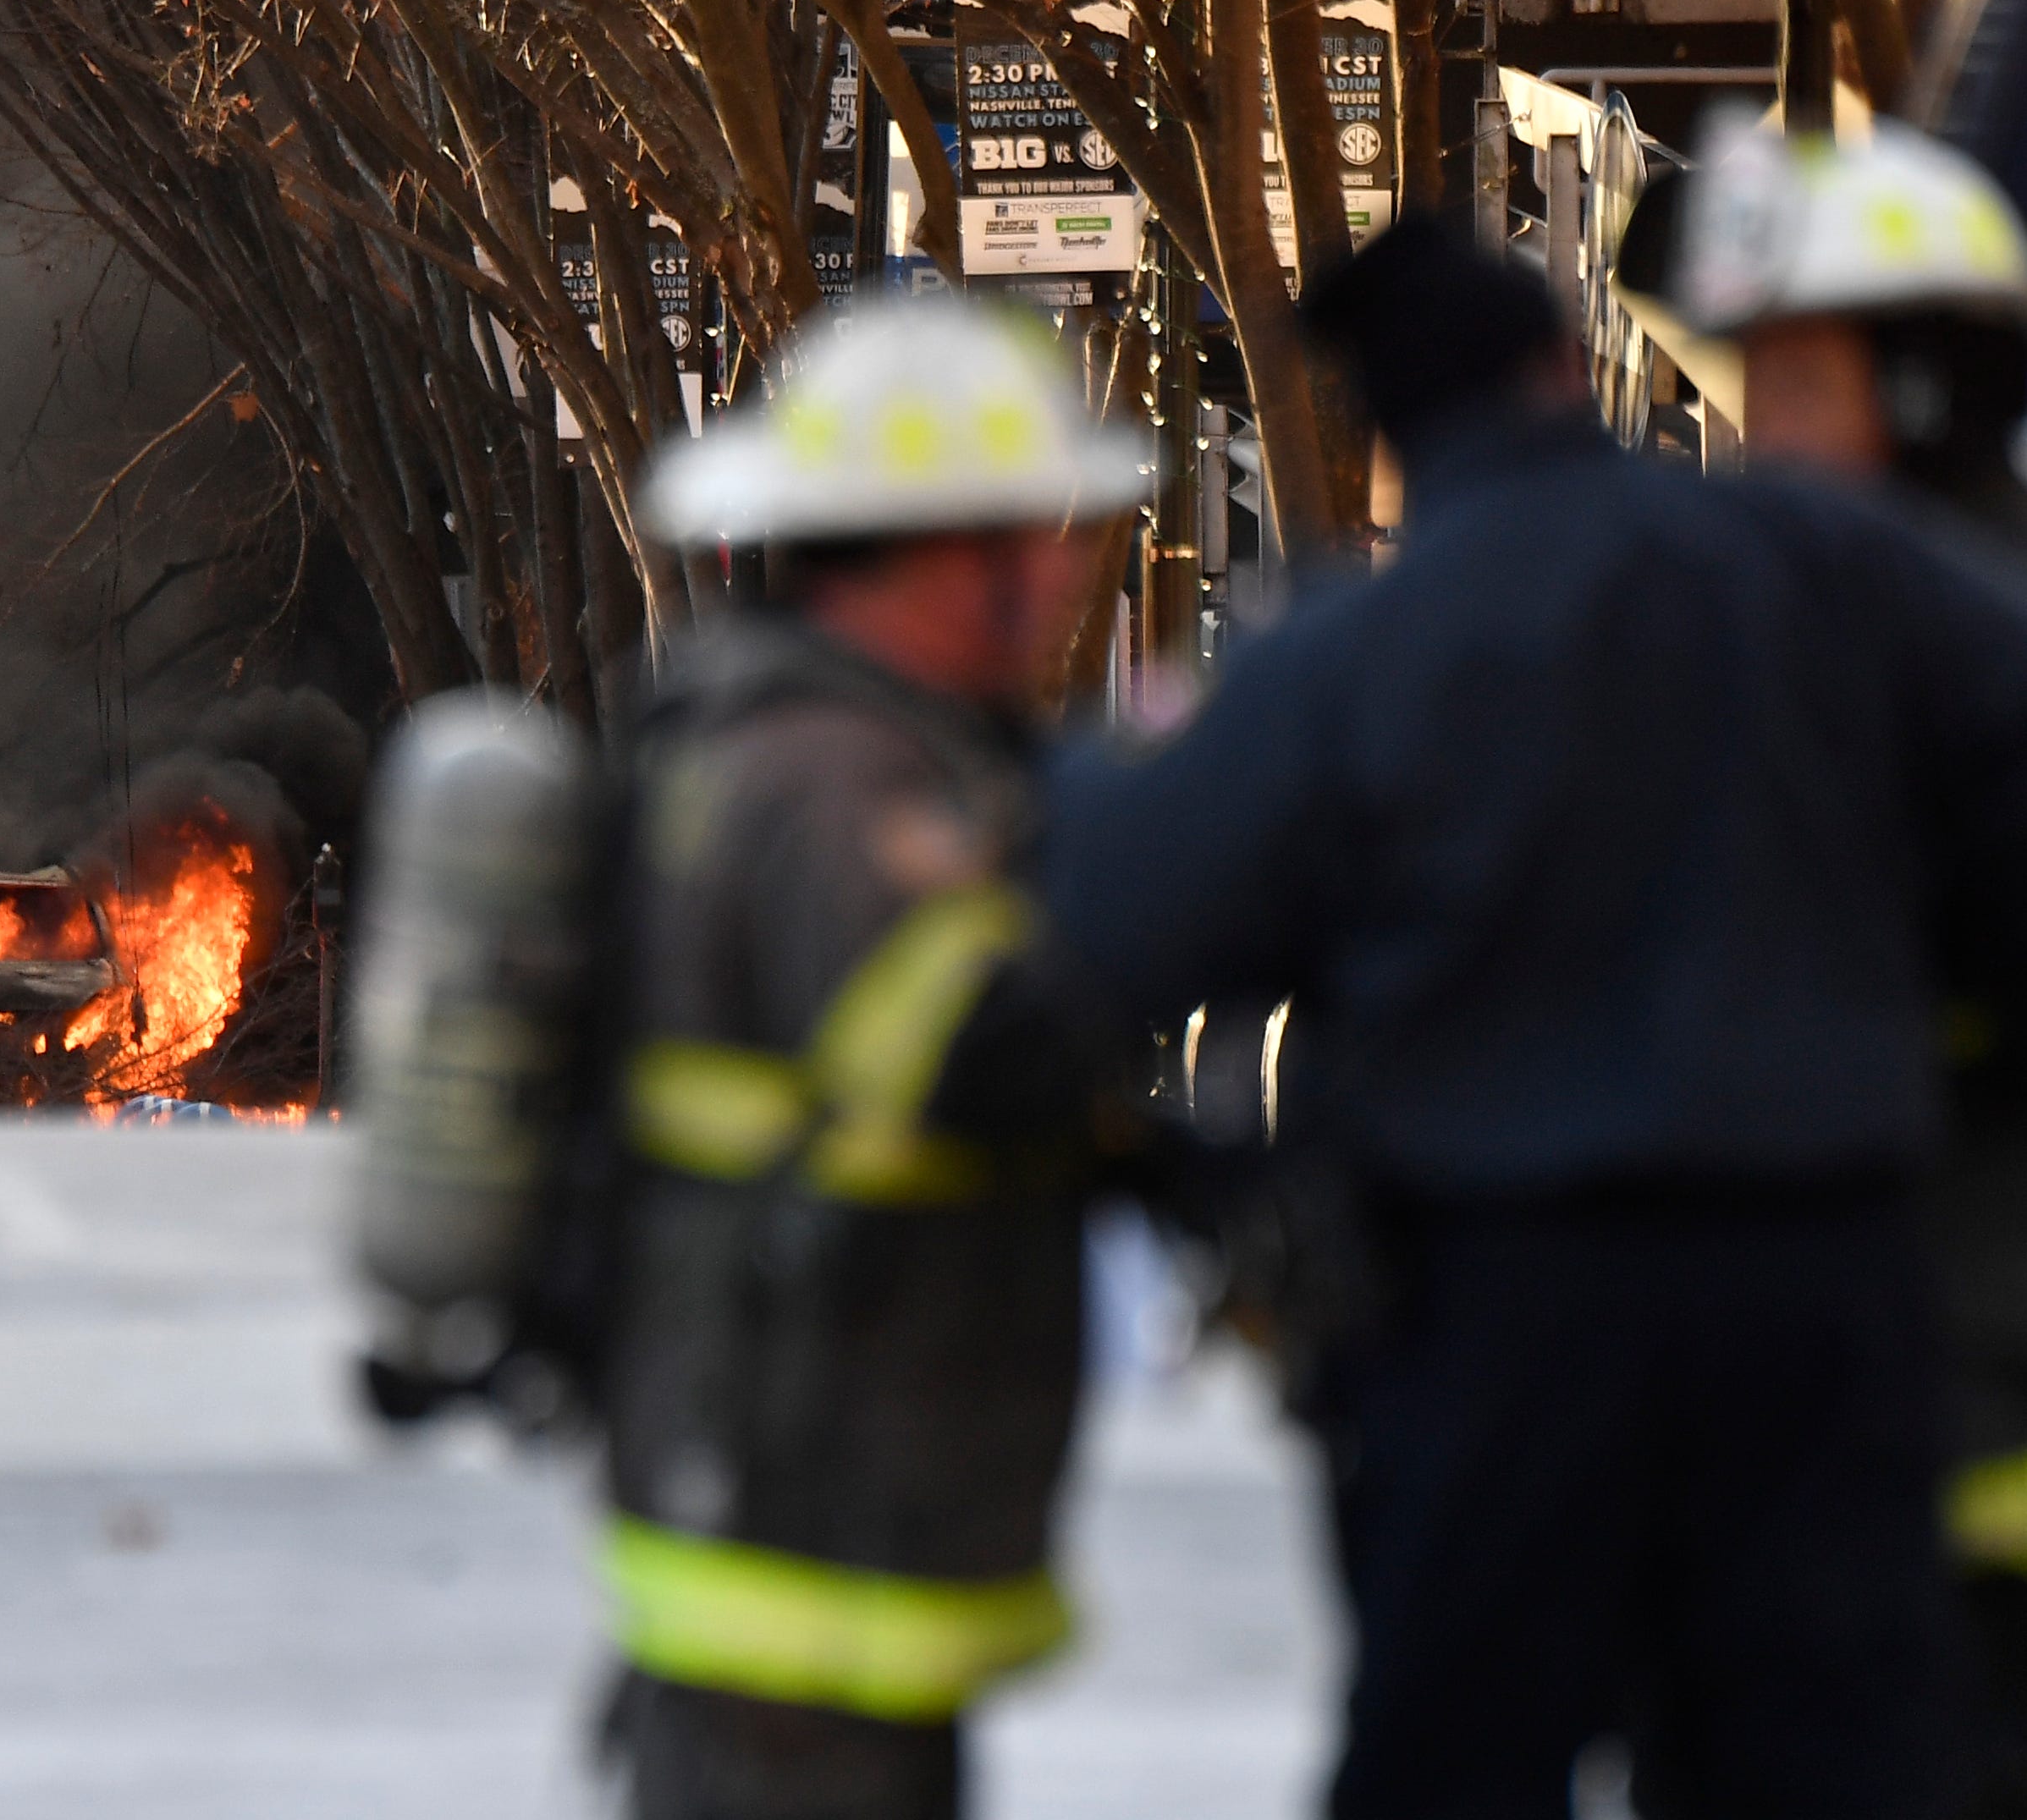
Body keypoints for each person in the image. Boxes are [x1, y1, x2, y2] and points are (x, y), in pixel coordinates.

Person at [1042, 211, 2027, 1817]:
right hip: (1821, 1278)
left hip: (1502, 1305)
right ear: (1566, 367)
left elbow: (1121, 927)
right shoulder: (1821, 562)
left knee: (1458, 1755)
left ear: (1384, 418)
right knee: (1826, 1752)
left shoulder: (1355, 649)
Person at [587, 298, 1140, 1820]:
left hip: (797, 1477)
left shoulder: (776, 739)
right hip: (805, 1489)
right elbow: (975, 1049)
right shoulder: (841, 784)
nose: (1071, 566)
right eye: (1049, 531)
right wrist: (1170, 866)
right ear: (961, 552)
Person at [1674, 116, 2027, 1816]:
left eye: (1801, 385)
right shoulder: (1743, 622)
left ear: (1927, 379)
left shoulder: (1941, 643)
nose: (1766, 435)